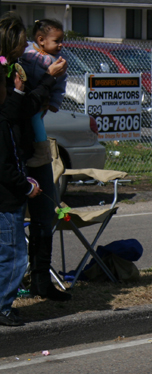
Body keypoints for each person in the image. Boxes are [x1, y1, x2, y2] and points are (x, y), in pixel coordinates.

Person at [3, 13, 69, 301]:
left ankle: (41, 279)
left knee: (45, 215)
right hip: (16, 151)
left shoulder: (22, 64)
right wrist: (47, 79)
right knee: (13, 224)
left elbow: (36, 103)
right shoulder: (12, 70)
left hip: (37, 145)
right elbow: (21, 108)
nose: (24, 48)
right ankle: (11, 289)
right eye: (21, 43)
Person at [0, 28, 42, 327]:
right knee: (13, 255)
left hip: (10, 195)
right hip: (7, 200)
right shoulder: (2, 124)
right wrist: (25, 186)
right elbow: (4, 167)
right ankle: (3, 305)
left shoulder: (4, 122)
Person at [18, 19, 67, 168]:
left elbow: (60, 84)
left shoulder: (57, 62)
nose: (61, 45)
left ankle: (42, 152)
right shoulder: (26, 50)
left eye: (61, 41)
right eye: (56, 41)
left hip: (41, 98)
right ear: (41, 40)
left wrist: (54, 102)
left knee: (36, 119)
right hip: (25, 95)